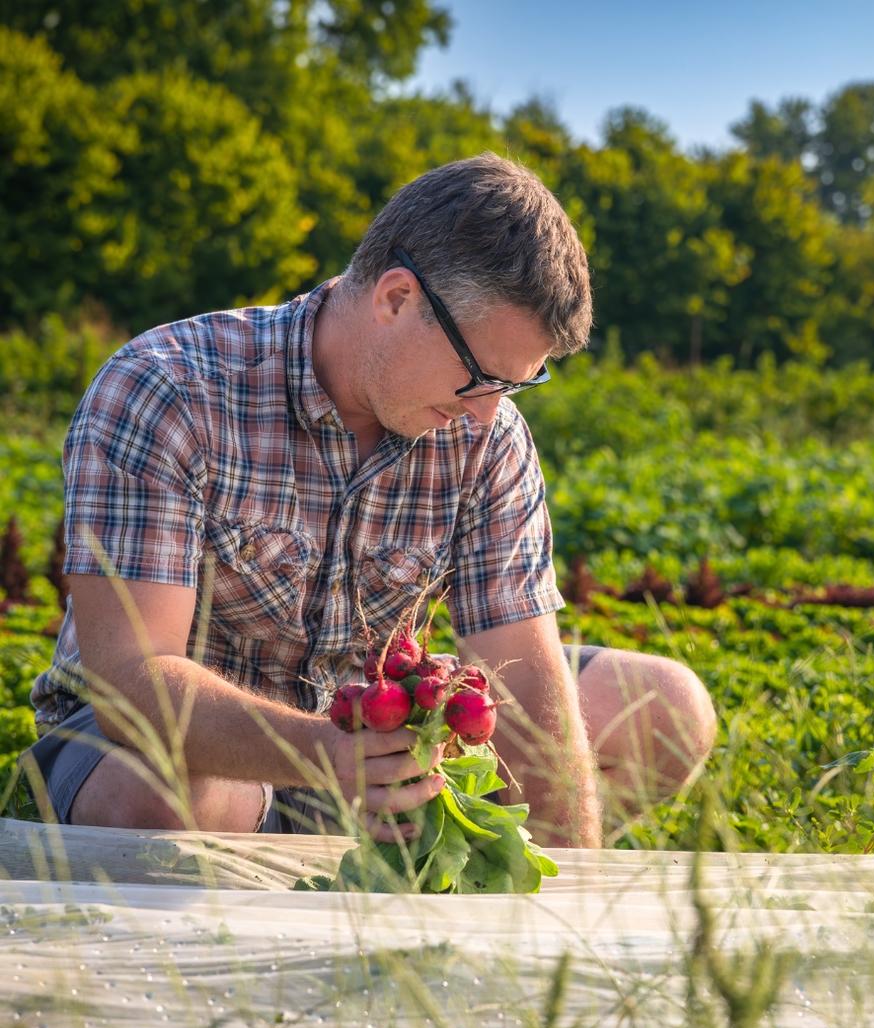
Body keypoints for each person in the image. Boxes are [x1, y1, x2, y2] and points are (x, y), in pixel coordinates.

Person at [22, 153, 716, 849]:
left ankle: (398, 873)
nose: (485, 415)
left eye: (514, 386)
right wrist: (324, 754)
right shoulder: (169, 389)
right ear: (395, 299)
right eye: (479, 377)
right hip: (180, 756)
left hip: (370, 748)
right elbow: (130, 687)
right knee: (161, 802)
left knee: (668, 708)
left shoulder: (486, 439)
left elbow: (525, 676)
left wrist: (566, 909)